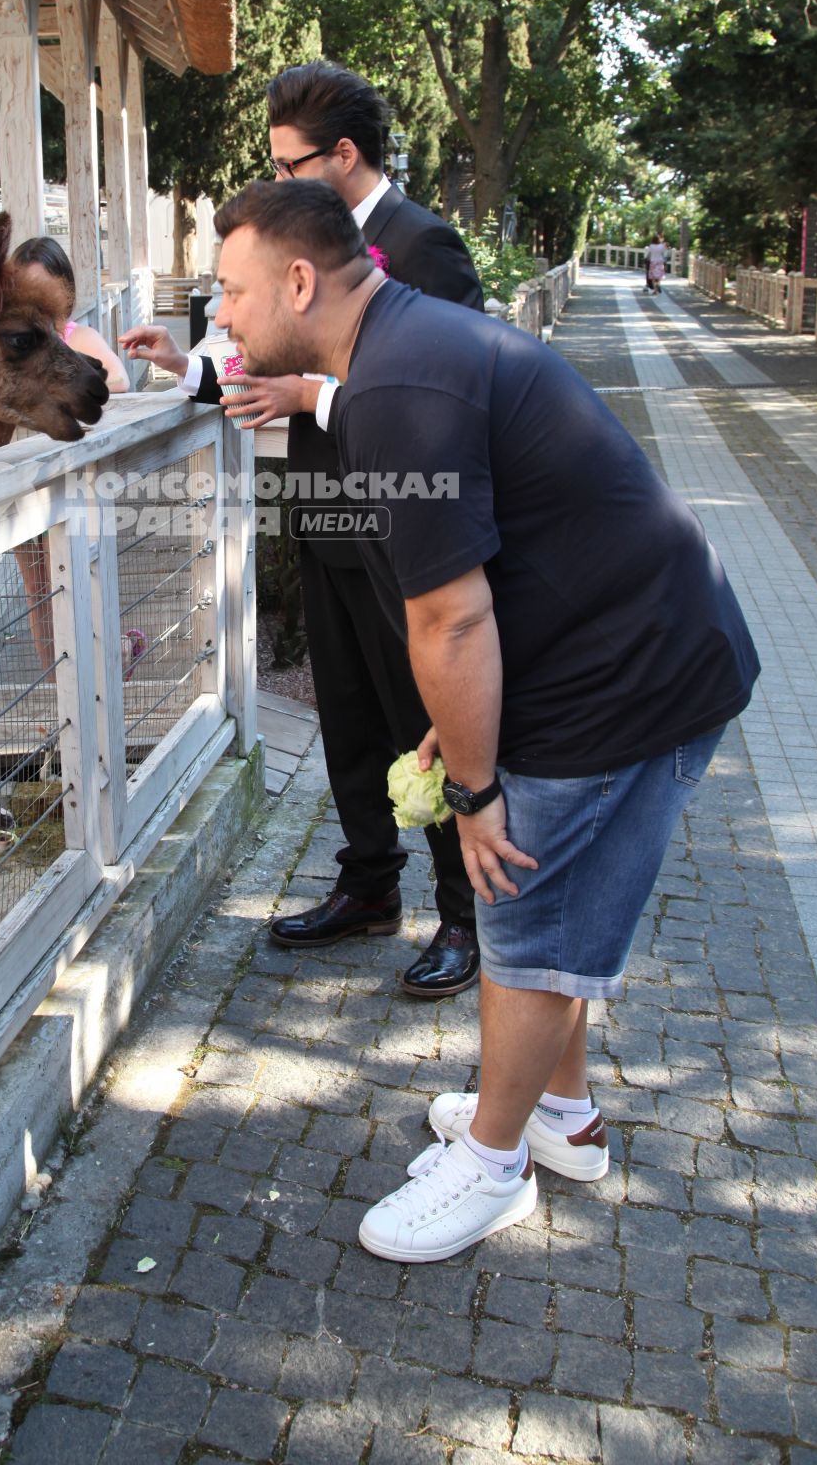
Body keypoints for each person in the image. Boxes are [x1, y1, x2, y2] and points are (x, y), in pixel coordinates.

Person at [208, 178, 758, 1263]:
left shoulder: (399, 388)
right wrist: (458, 739)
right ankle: (562, 1119)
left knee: (525, 925)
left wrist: (473, 791)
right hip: (627, 651)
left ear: (299, 280)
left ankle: (494, 1162)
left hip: (622, 683)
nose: (219, 313)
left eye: (229, 289)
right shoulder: (402, 347)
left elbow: (449, 618)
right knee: (551, 914)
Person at [121, 62, 484, 1000]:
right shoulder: (295, 254)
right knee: (350, 719)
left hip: (407, 530)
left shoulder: (423, 246)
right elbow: (261, 370)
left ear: (345, 156)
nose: (277, 183)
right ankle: (368, 884)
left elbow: (446, 397)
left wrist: (314, 394)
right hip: (322, 521)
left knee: (425, 718)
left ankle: (465, 910)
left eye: (289, 166)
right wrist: (189, 372)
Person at [9, 238, 131, 672]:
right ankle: (54, 682)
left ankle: (106, 664)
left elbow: (118, 379)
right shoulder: (10, 348)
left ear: (65, 293)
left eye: (44, 290)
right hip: (24, 485)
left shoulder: (79, 339)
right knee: (38, 588)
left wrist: (65, 392)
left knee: (84, 577)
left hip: (76, 485)